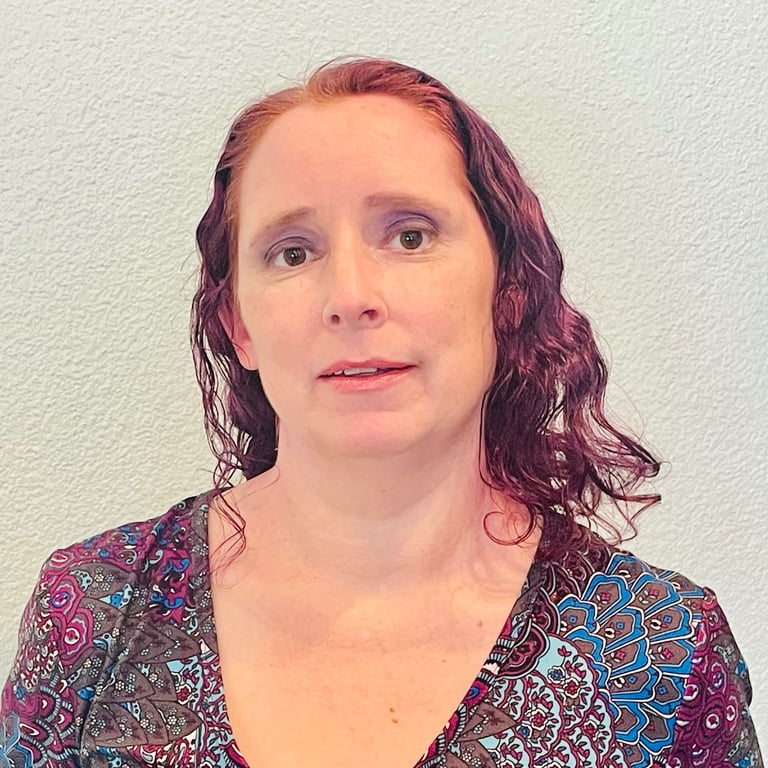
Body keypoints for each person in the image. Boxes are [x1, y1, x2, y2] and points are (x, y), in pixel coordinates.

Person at [0, 57, 761, 768]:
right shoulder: (93, 609)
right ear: (239, 323)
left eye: (409, 235)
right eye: (293, 253)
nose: (351, 297)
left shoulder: (662, 650)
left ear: (506, 288)